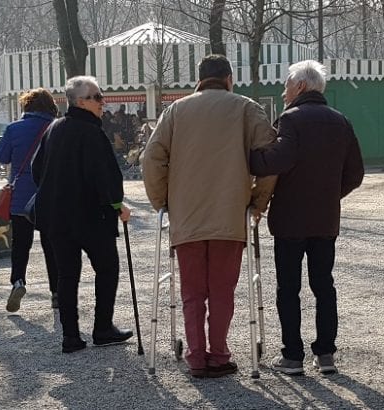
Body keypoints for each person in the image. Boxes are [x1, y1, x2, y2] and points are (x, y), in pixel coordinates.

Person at [142, 54, 277, 379]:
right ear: (229, 78)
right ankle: (219, 354)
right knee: (221, 289)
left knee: (191, 291)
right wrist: (257, 202)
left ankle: (196, 356)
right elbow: (271, 156)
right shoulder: (246, 108)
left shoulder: (175, 110)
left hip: (186, 216)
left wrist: (163, 201)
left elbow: (152, 158)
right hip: (230, 215)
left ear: (199, 80)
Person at [248, 60, 364, 376]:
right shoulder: (341, 121)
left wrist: (250, 158)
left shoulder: (291, 119)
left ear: (300, 86)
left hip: (289, 219)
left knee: (289, 288)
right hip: (325, 220)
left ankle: (293, 356)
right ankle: (326, 354)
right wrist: (330, 195)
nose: (283, 91)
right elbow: (355, 173)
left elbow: (280, 159)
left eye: (286, 84)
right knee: (323, 285)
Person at [31, 76, 133, 353]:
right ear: (81, 101)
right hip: (90, 217)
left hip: (56, 215)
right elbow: (106, 177)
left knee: (67, 276)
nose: (103, 103)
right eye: (98, 97)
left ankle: (71, 336)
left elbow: (36, 168)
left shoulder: (54, 128)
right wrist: (117, 205)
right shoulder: (91, 132)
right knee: (107, 268)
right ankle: (102, 328)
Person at [0, 88, 59, 313]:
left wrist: (3, 138)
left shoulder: (13, 129)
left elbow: (1, 156)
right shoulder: (56, 128)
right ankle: (57, 293)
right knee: (52, 246)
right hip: (49, 196)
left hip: (21, 198)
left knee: (21, 245)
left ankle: (18, 282)